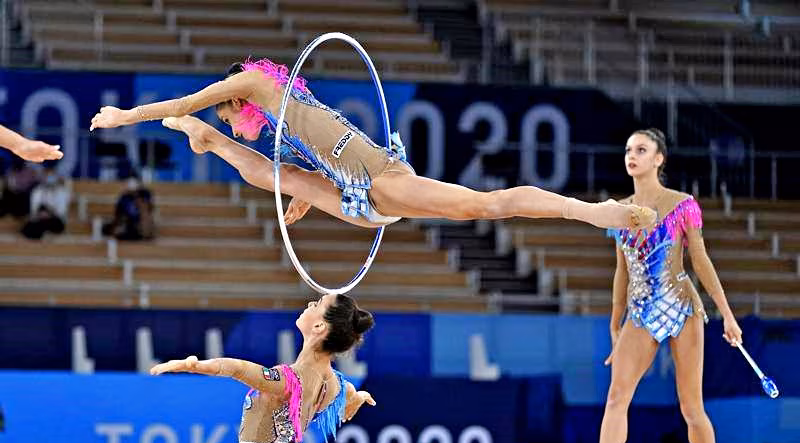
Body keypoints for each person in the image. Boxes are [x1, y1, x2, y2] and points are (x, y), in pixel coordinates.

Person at [90, 59, 656, 230]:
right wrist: (306, 198)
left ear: (239, 101)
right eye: (228, 125)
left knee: (486, 204)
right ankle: (206, 140)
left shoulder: (257, 86)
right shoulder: (286, 115)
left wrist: (126, 116)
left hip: (379, 179)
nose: (244, 124)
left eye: (227, 120)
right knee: (270, 174)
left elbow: (184, 97)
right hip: (357, 191)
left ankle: (593, 210)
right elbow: (315, 147)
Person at [599, 128, 743, 443]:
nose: (631, 156)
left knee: (691, 408)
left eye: (640, 150)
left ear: (658, 158)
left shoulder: (683, 204)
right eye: (628, 150)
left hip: (681, 304)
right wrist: (614, 321)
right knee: (616, 399)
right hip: (639, 310)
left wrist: (728, 316)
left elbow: (701, 260)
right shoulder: (619, 211)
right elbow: (622, 271)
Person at [150, 293, 377, 443]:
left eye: (317, 304)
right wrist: (357, 398)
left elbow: (237, 368)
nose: (310, 304)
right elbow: (348, 392)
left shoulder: (290, 380)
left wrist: (196, 366)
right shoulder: (335, 385)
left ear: (319, 327)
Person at [21, 166, 70, 240]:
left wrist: (50, 214)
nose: (49, 178)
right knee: (31, 226)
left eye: (51, 176)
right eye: (47, 176)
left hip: (54, 218)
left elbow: (62, 211)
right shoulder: (37, 191)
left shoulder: (61, 192)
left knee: (52, 224)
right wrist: (40, 214)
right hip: (40, 217)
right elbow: (33, 209)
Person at [102, 175, 155, 241]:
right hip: (128, 222)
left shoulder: (145, 194)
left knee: (145, 216)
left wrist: (138, 200)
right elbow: (118, 213)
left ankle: (144, 234)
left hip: (141, 221)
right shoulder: (124, 197)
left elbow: (149, 208)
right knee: (108, 228)